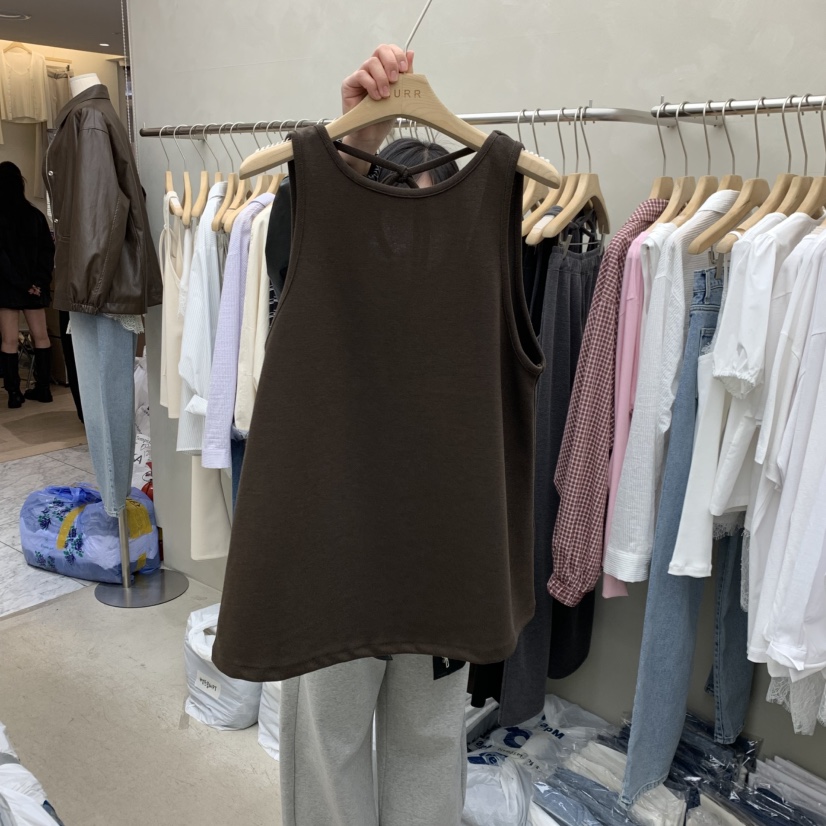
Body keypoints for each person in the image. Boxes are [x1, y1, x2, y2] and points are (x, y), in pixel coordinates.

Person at [277, 45, 475, 826]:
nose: (415, 238)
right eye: (395, 218)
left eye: (434, 218)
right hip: (337, 551)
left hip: (443, 555)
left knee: (430, 741)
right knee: (328, 744)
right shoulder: (330, 289)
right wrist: (355, 148)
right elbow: (297, 258)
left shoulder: (473, 285)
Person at [0, 161, 54, 408]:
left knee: (9, 341)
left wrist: (22, 284)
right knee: (41, 337)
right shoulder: (36, 216)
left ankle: (14, 393)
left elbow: (2, 261)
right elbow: (47, 252)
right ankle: (44, 388)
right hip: (35, 287)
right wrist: (38, 283)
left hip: (8, 288)